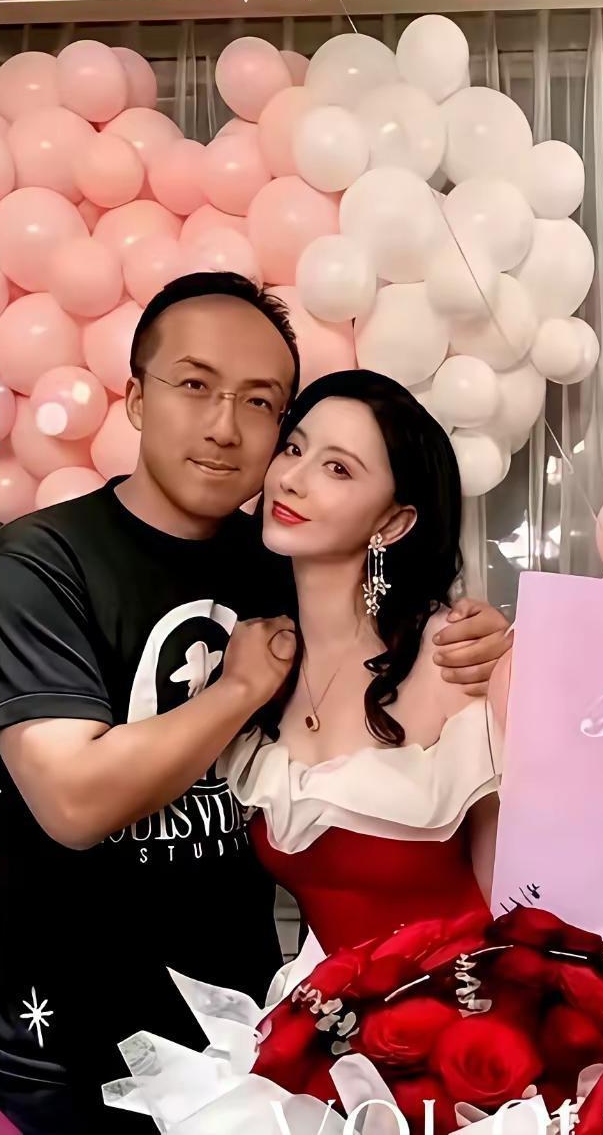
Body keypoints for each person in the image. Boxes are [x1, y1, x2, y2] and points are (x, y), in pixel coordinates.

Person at [0, 273, 511, 1135]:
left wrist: (485, 643)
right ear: (136, 397)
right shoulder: (40, 564)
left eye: (260, 404)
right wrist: (243, 688)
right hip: (63, 1051)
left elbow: (385, 644)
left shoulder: (282, 563)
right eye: (194, 385)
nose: (226, 427)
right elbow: (73, 803)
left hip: (245, 1047)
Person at [218, 370, 505, 963]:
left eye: (338, 468)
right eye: (293, 449)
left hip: (472, 1005)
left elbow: (521, 904)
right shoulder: (256, 658)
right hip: (325, 1011)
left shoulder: (455, 657)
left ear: (393, 523)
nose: (292, 479)